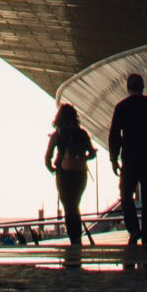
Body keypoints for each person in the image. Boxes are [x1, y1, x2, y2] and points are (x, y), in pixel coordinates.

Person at [108, 71, 147, 249]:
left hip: (130, 160)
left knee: (126, 195)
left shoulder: (122, 107)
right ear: (142, 87)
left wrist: (114, 158)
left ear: (128, 88)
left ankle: (134, 229)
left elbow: (115, 135)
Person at [44, 102, 97, 250]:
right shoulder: (82, 133)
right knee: (75, 204)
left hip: (63, 173)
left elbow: (47, 157)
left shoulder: (57, 135)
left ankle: (74, 238)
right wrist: (83, 158)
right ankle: (77, 236)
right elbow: (92, 153)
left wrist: (53, 168)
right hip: (80, 173)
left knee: (68, 206)